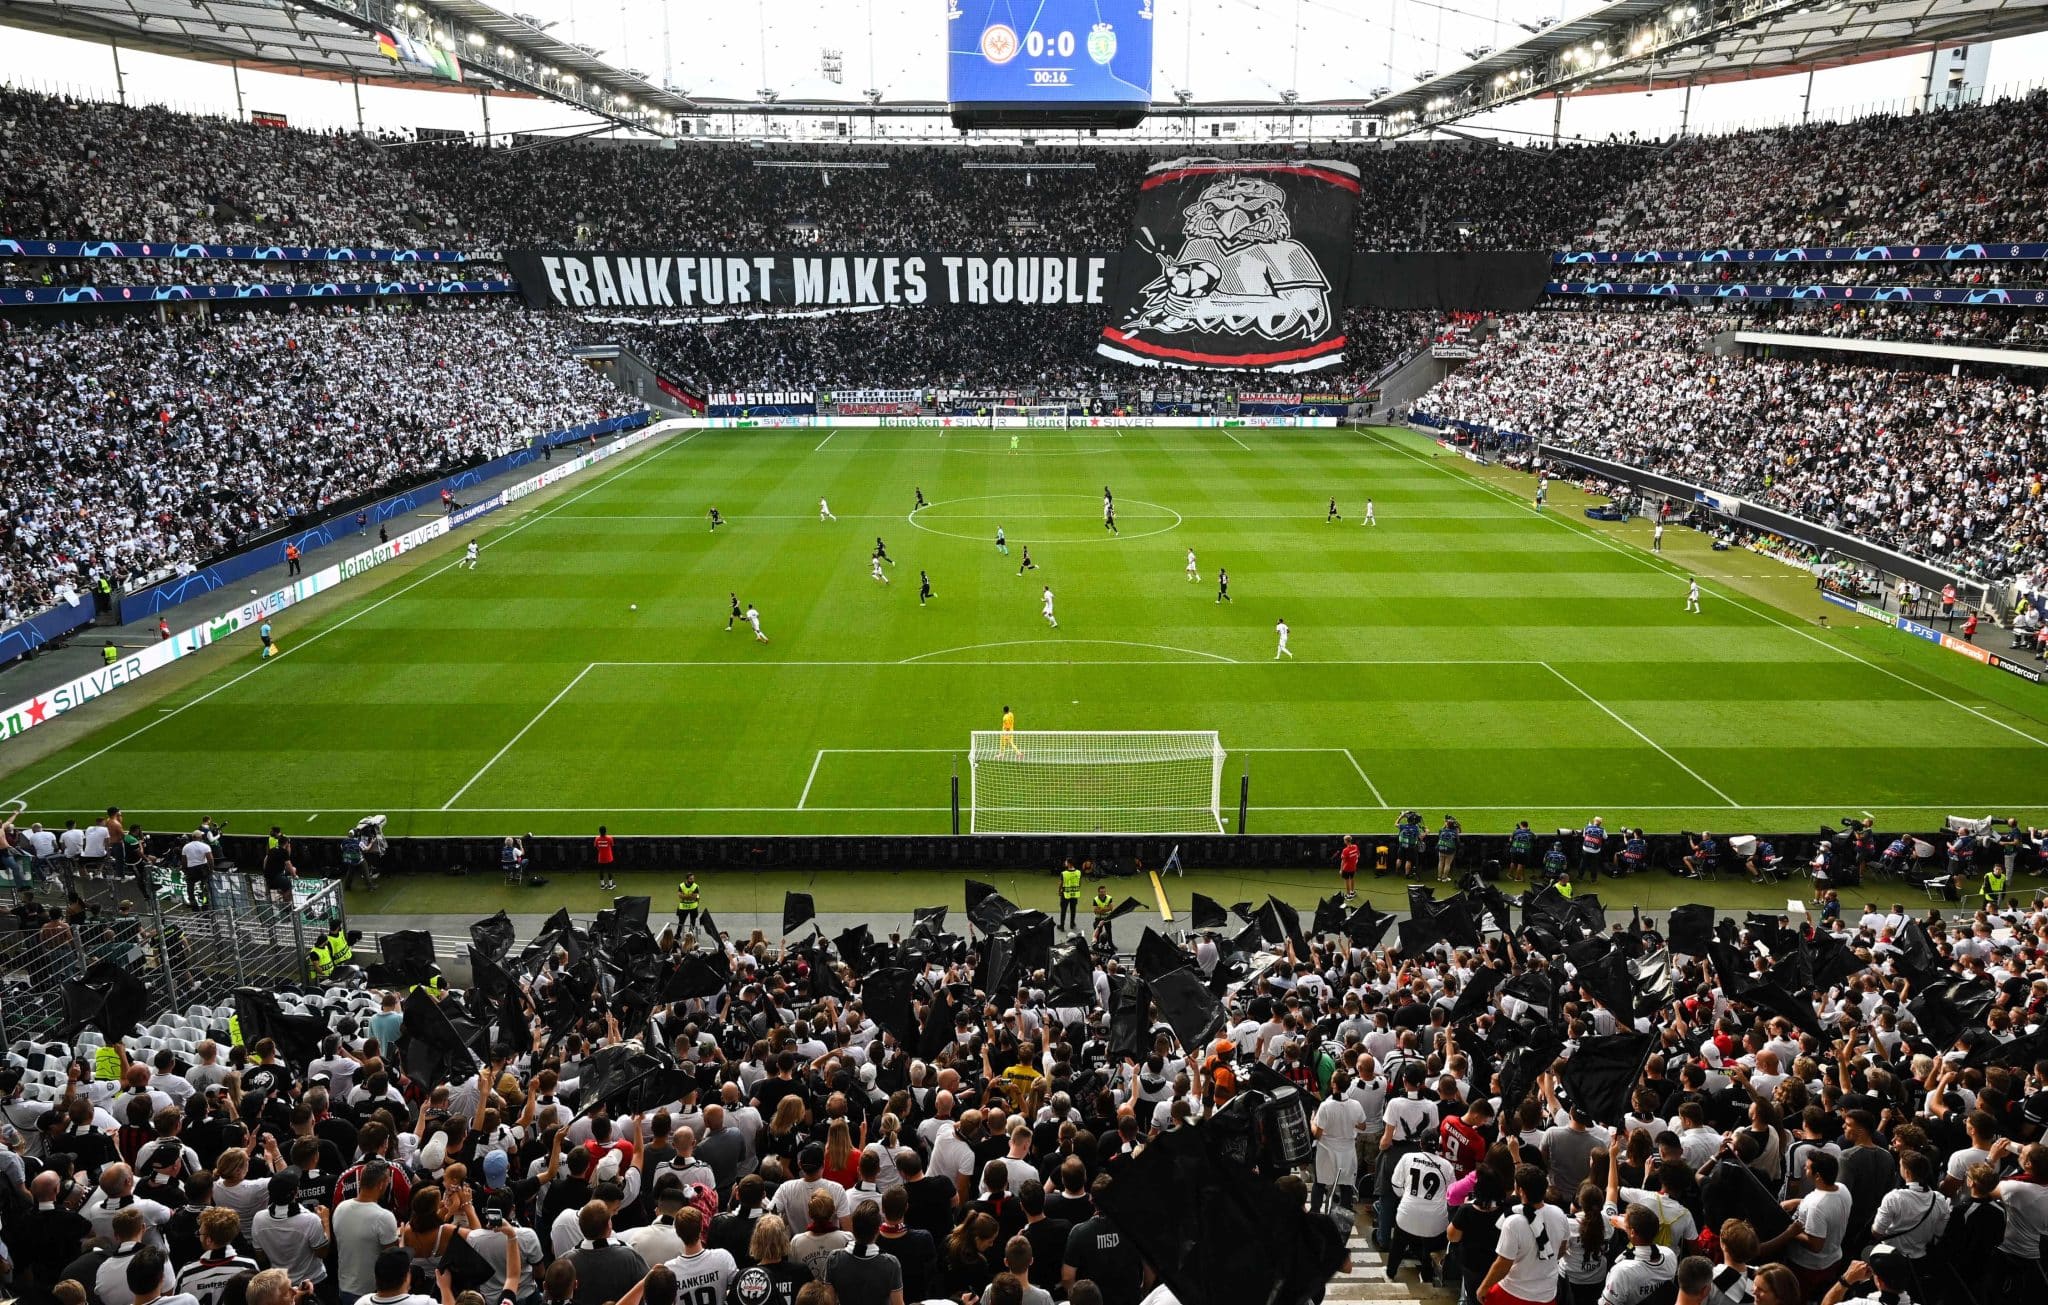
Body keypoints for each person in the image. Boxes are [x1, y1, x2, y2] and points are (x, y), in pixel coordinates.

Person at [1479, 1164, 1568, 1305]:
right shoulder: (1559, 1214)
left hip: (1513, 1292)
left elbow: (1503, 1263)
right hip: (1546, 1293)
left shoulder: (1513, 1222)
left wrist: (1484, 1287)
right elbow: (1561, 1250)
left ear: (1520, 1190)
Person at [824, 1202, 902, 1305]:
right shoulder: (891, 1264)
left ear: (853, 1226)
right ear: (878, 1230)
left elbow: (828, 1302)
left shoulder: (834, 1259)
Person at [1058, 860, 1082, 932]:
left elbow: (1061, 883)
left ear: (1069, 864)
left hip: (1065, 894)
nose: (1065, 863)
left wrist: (1059, 891)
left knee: (1063, 910)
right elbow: (1079, 883)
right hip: (1075, 894)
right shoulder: (1078, 872)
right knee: (1073, 909)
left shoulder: (1063, 873)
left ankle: (1062, 926)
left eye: (1066, 862)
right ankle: (1072, 924)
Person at [594, 826, 616, 892]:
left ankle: (602, 885)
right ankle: (610, 885)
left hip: (601, 858)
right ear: (605, 831)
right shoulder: (609, 838)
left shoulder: (597, 839)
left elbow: (596, 846)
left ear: (599, 832)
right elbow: (612, 845)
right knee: (609, 871)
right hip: (609, 857)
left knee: (601, 871)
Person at [1338, 834, 1360, 899]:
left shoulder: (1345, 850)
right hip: (1353, 868)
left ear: (1345, 841)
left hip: (1346, 868)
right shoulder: (1355, 846)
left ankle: (1348, 895)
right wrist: (1355, 861)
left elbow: (1343, 861)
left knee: (1347, 881)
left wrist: (1341, 869)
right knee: (1352, 879)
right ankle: (1352, 892)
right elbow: (1358, 855)